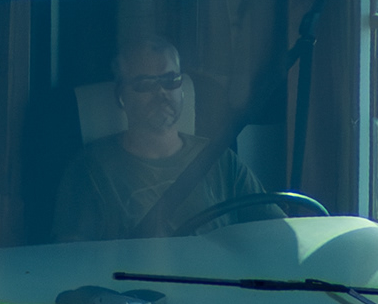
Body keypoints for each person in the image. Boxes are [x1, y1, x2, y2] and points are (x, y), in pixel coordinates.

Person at [52, 35, 265, 242]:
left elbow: (272, 228)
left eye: (170, 80)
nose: (161, 92)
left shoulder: (220, 160)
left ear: (182, 90)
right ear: (121, 96)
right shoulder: (90, 170)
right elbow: (72, 255)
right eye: (145, 83)